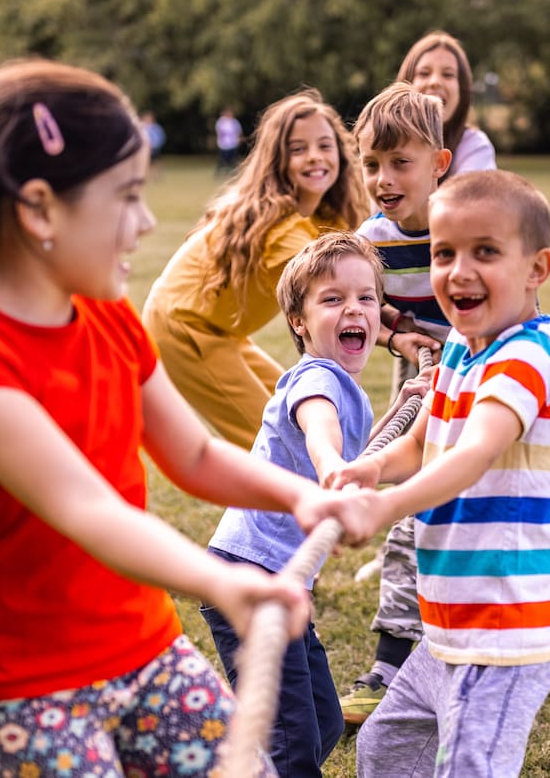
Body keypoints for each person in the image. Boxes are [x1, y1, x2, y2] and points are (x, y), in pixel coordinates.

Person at [0, 59, 378, 778]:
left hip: (144, 647)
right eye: (127, 197)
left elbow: (193, 457)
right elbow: (86, 508)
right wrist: (222, 582)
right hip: (26, 684)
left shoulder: (110, 319)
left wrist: (300, 494)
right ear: (39, 210)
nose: (147, 222)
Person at [330, 170, 550, 777]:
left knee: (470, 767)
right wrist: (368, 470)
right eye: (444, 254)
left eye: (486, 252)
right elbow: (420, 445)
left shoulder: (531, 352)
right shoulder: (463, 353)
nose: (459, 271)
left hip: (504, 627)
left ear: (536, 269)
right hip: (448, 621)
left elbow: (473, 454)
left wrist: (386, 509)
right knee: (385, 748)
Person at [199, 231, 384, 778]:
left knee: (324, 722)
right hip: (251, 577)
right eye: (332, 299)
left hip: (284, 584)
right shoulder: (316, 378)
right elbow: (319, 427)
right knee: (294, 742)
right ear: (299, 323)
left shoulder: (350, 386)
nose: (353, 308)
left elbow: (372, 449)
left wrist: (409, 400)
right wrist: (330, 467)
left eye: (366, 298)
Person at [142, 90, 368, 449]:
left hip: (223, 332)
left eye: (325, 145)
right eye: (298, 149)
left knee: (299, 411)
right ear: (277, 160)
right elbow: (341, 291)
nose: (314, 157)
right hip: (184, 327)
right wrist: (397, 332)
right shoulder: (282, 226)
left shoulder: (327, 216)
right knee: (278, 443)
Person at [337, 83, 454, 726]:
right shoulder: (371, 240)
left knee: (451, 520)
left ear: (438, 164)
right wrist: (395, 335)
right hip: (411, 392)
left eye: (400, 163)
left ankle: (463, 647)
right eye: (372, 164)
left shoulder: (463, 229)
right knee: (407, 521)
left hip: (467, 397)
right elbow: (365, 307)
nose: (383, 179)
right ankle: (391, 663)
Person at [397, 31, 496, 178]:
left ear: (462, 90)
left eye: (448, 74)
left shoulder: (475, 147)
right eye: (424, 73)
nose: (435, 81)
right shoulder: (383, 140)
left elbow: (467, 199)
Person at [215, 107, 243, 175]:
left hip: (233, 143)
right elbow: (219, 133)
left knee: (232, 160)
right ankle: (219, 173)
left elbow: (239, 132)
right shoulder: (221, 122)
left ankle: (232, 172)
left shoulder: (234, 122)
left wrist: (238, 139)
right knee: (222, 160)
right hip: (224, 144)